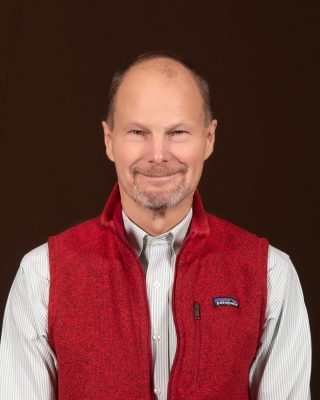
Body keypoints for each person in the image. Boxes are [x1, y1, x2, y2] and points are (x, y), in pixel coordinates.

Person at [0, 52, 311, 399]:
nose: (158, 154)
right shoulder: (42, 276)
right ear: (108, 140)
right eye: (137, 132)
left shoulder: (270, 274)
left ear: (208, 139)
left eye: (178, 132)